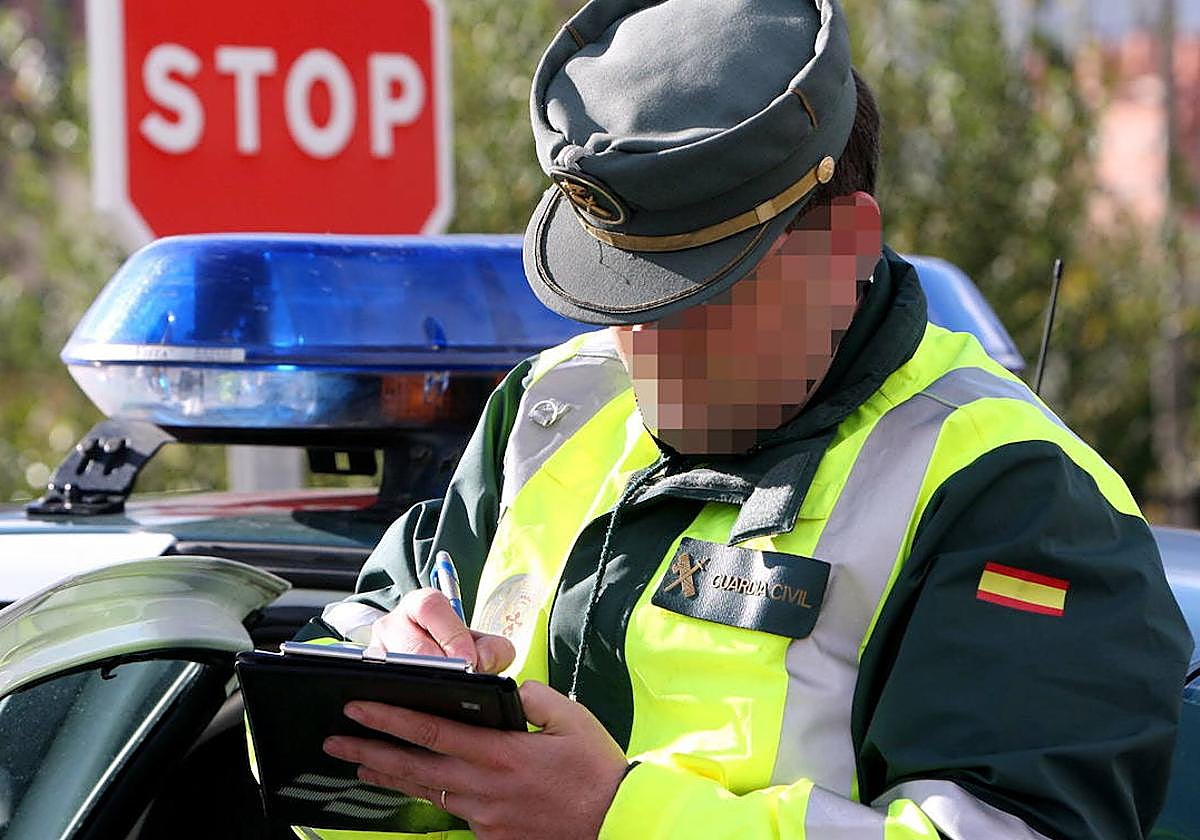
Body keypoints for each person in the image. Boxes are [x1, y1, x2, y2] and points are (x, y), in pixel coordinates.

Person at [302, 1, 1192, 838]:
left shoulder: (1014, 496)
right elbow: (326, 711)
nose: (645, 347)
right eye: (622, 294)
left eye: (704, 296)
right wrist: (375, 691)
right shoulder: (553, 402)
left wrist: (616, 819)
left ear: (847, 246)